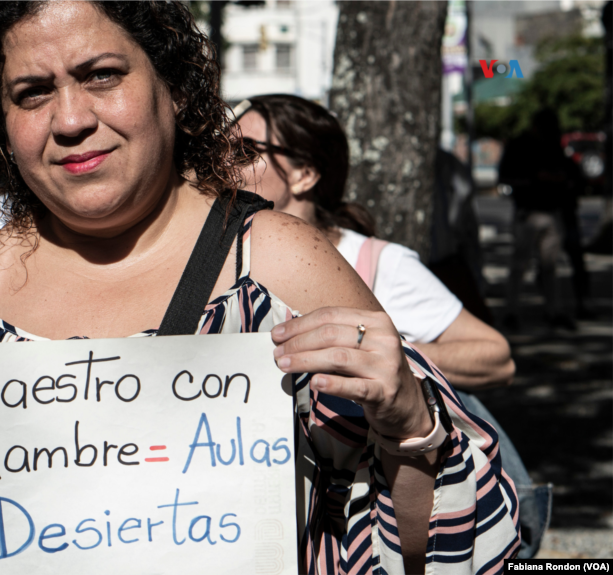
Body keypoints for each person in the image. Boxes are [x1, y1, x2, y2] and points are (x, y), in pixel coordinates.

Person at [0, 2, 519, 575]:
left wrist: (409, 428)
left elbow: (443, 551)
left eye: (102, 75)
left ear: (172, 89)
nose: (70, 119)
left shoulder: (275, 263)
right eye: (32, 92)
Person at [234, 93, 551, 556]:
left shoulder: (379, 263)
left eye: (245, 150)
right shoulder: (222, 261)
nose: (222, 162)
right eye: (216, 147)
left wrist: (390, 359)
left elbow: (497, 358)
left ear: (304, 174)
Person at [498, 108, 580, 330]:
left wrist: (560, 180)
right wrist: (535, 179)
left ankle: (554, 310)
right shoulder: (519, 147)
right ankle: (512, 311)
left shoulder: (554, 146)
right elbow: (505, 177)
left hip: (552, 212)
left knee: (550, 266)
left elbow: (570, 174)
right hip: (527, 213)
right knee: (519, 265)